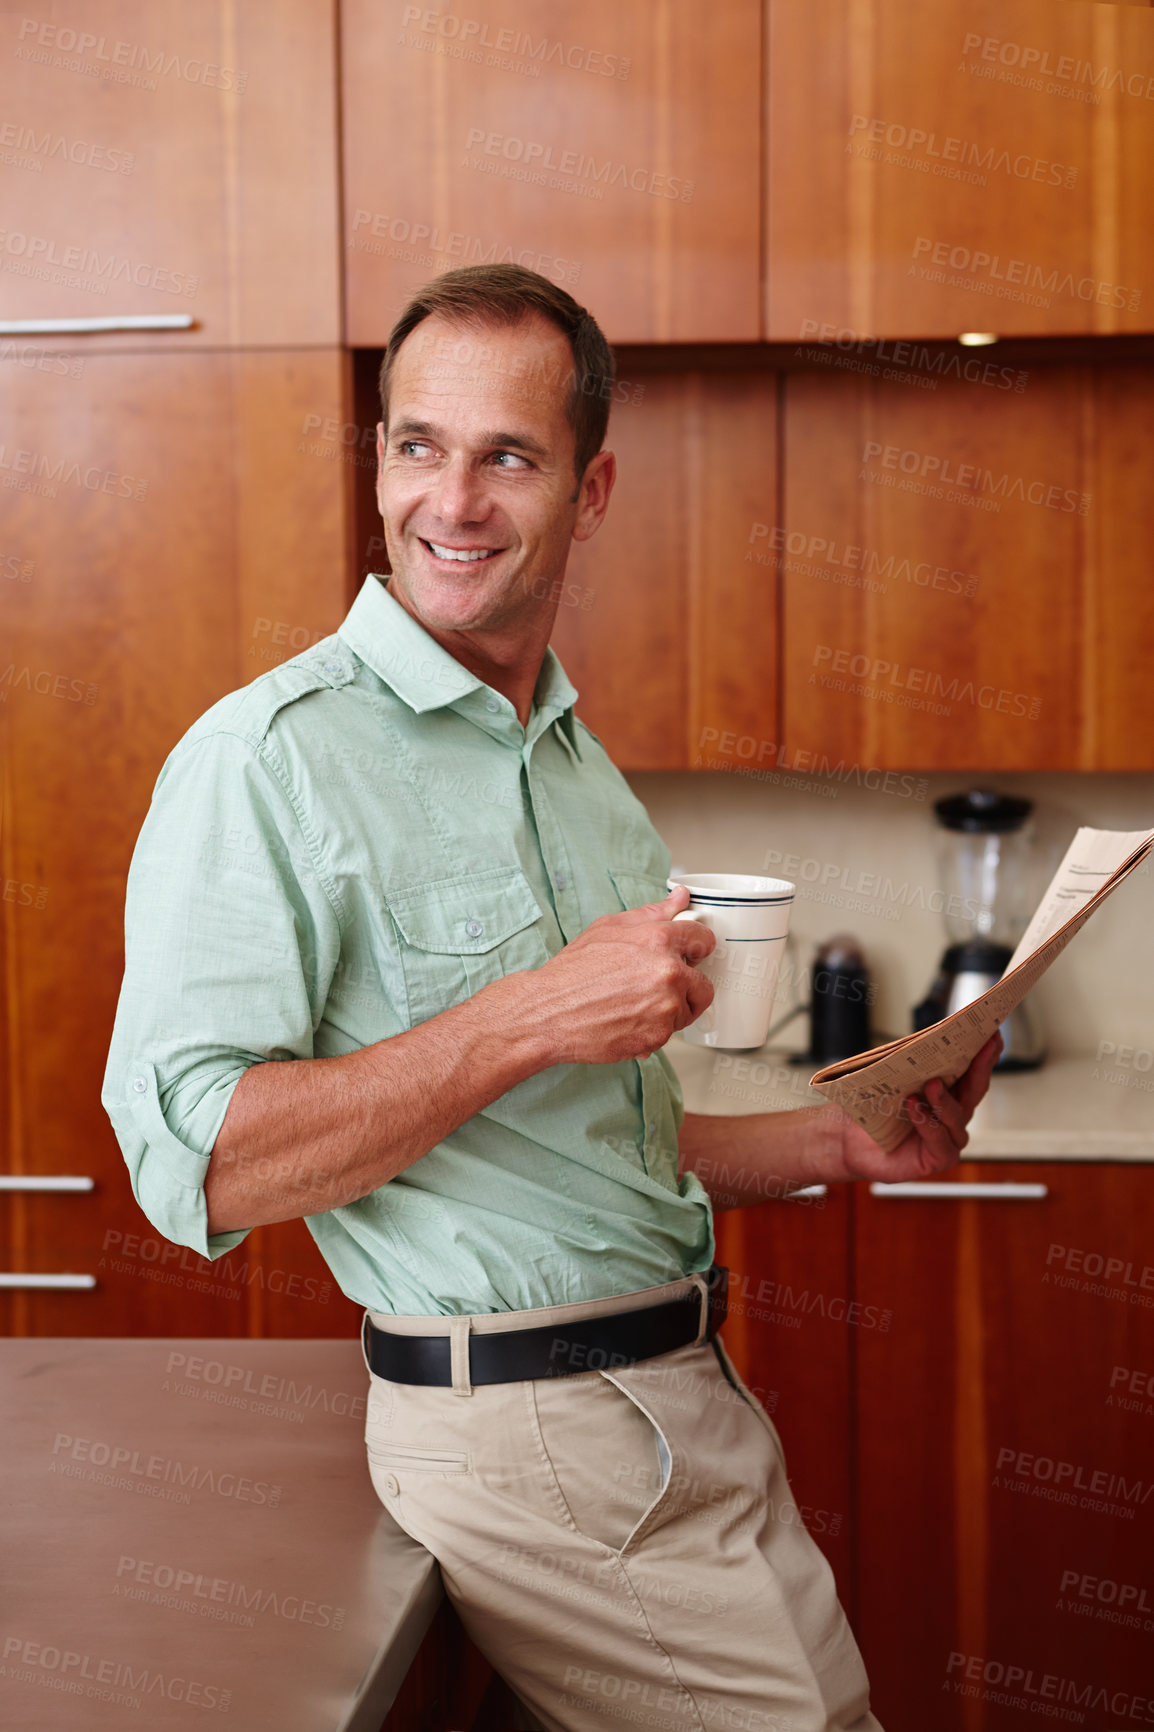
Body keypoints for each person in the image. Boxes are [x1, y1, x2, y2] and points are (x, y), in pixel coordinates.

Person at [104, 264, 1000, 1732]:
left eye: (506, 457)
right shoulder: (264, 760)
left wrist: (833, 1146)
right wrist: (532, 1010)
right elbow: (197, 1162)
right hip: (529, 1430)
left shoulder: (572, 764)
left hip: (677, 1398)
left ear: (587, 493)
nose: (448, 501)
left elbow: (595, 1134)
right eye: (416, 445)